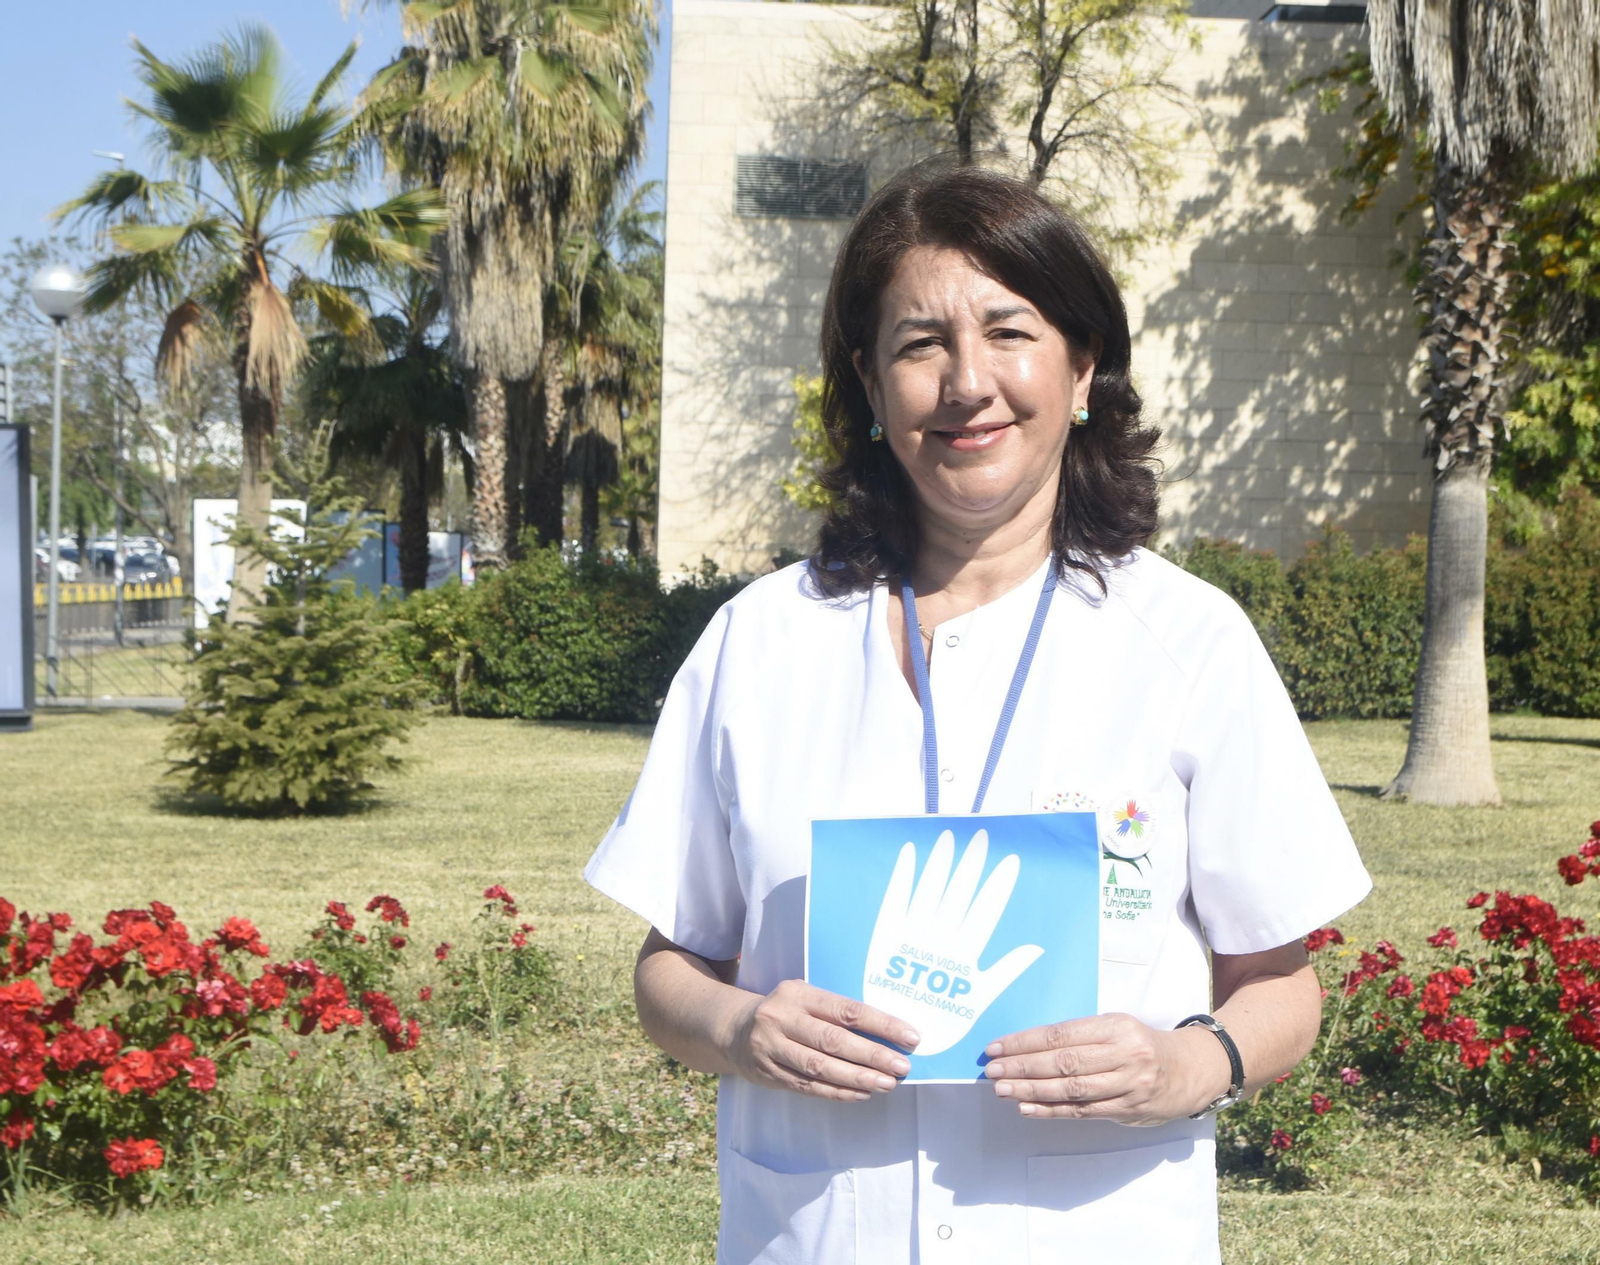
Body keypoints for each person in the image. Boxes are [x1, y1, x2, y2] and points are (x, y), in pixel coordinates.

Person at [584, 160, 1373, 1265]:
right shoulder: (760, 641)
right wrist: (742, 1027)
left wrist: (1186, 1064)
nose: (967, 382)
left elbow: (1279, 984)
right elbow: (672, 967)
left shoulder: (1189, 643)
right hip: (813, 1233)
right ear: (867, 383)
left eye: (1010, 331)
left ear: (1082, 363)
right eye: (919, 345)